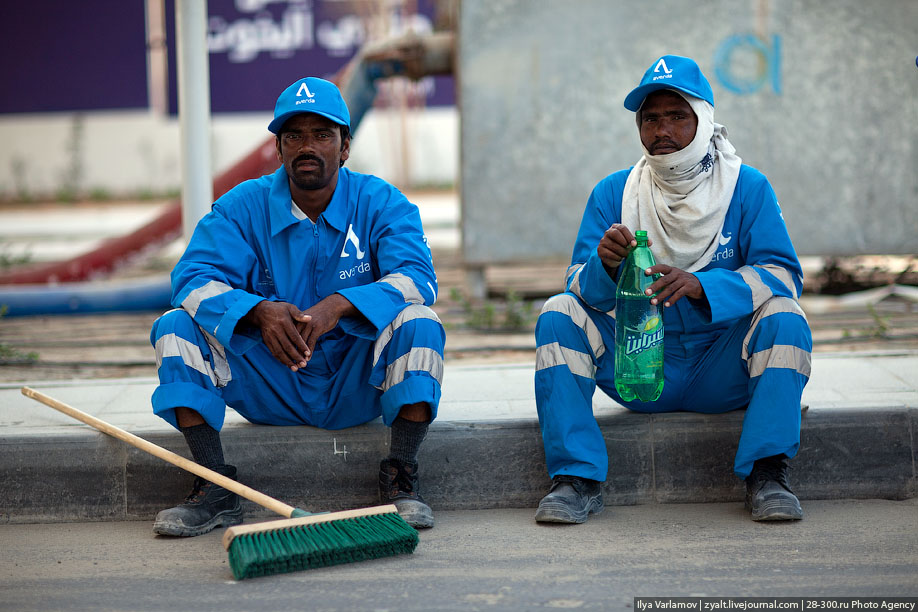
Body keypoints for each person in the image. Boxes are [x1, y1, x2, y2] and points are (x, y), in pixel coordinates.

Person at [149, 77, 444, 536]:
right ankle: (214, 486)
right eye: (295, 136)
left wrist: (340, 304)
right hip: (272, 380)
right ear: (279, 148)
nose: (308, 146)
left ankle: (401, 478)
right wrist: (256, 311)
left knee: (421, 322)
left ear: (345, 146)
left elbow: (418, 279)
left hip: (355, 379)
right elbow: (190, 280)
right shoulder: (240, 207)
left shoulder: (382, 202)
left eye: (322, 135)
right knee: (175, 326)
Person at [533, 55, 812, 524]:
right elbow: (578, 286)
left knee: (786, 317)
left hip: (722, 367)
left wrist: (704, 286)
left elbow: (783, 274)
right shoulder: (614, 193)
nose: (663, 130)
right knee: (559, 313)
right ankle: (575, 480)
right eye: (651, 118)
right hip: (637, 367)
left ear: (703, 119)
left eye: (677, 116)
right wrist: (604, 267)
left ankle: (768, 475)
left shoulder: (747, 188)